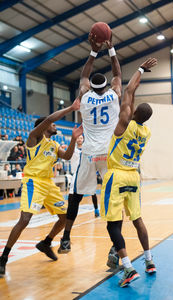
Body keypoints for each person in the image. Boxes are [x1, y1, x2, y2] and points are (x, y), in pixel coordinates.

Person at [0, 99, 83, 276]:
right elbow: (46, 120)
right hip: (33, 182)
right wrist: (71, 108)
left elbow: (67, 157)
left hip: (48, 184)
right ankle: (3, 258)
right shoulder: (34, 138)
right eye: (52, 124)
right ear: (45, 127)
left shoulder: (53, 145)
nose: (54, 126)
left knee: (64, 218)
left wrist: (74, 139)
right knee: (24, 220)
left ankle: (46, 242)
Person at [58, 34, 122, 253]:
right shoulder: (114, 94)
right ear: (106, 85)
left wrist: (94, 51)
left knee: (76, 194)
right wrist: (111, 49)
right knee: (113, 197)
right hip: (109, 153)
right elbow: (118, 74)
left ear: (90, 86)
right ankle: (116, 246)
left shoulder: (84, 96)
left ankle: (66, 238)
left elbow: (84, 75)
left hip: (89, 153)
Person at [100, 58, 157, 288]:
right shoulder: (146, 132)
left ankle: (127, 267)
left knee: (112, 225)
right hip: (134, 176)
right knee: (137, 219)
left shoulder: (124, 123)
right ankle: (149, 261)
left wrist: (141, 69)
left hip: (117, 176)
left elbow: (129, 90)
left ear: (133, 113)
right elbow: (131, 97)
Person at [69, 134, 100, 218]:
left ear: (83, 139)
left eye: (81, 138)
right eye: (78, 137)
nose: (79, 139)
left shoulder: (87, 150)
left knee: (93, 192)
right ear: (76, 140)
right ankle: (70, 209)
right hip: (76, 173)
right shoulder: (72, 149)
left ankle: (96, 210)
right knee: (71, 193)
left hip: (87, 173)